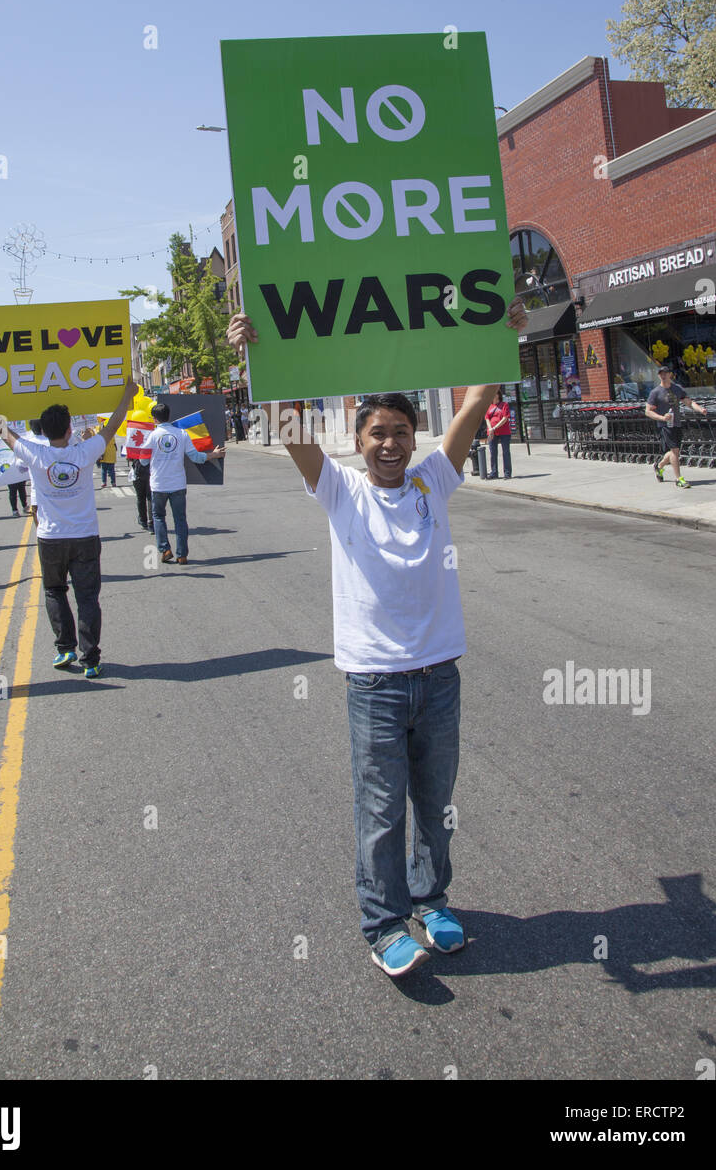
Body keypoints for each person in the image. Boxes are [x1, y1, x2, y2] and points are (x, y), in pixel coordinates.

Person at [228, 299, 527, 978]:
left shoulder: (434, 480)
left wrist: (503, 332)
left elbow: (478, 399)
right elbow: (290, 424)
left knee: (434, 803)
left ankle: (433, 902)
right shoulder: (340, 492)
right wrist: (256, 352)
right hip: (375, 683)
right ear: (357, 441)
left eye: (400, 431)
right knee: (381, 808)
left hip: (439, 677)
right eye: (376, 433)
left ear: (414, 436)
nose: (389, 443)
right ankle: (384, 923)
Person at [0, 378, 137, 679]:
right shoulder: (84, 452)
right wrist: (127, 394)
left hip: (50, 538)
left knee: (54, 591)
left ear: (43, 431)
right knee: (87, 597)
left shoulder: (36, 454)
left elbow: (1, 428)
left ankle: (65, 648)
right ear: (69, 429)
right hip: (85, 536)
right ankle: (91, 659)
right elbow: (112, 426)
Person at [140, 403, 225, 564]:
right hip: (178, 483)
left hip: (158, 484)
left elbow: (143, 462)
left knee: (158, 517)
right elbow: (195, 457)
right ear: (168, 415)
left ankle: (165, 549)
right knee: (180, 519)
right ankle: (182, 555)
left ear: (154, 419)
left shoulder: (152, 436)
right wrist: (213, 455)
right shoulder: (181, 433)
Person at [646, 364, 707, 490]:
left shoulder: (677, 389)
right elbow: (648, 411)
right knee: (675, 451)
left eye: (665, 373)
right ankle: (679, 479)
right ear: (659, 376)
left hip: (677, 424)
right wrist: (662, 418)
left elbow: (688, 402)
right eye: (661, 374)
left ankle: (659, 466)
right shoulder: (655, 392)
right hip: (664, 425)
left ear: (670, 375)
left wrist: (700, 409)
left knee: (674, 451)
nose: (663, 375)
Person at [484, 386, 512, 479]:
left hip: (504, 432)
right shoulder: (489, 406)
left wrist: (495, 427)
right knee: (493, 453)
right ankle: (494, 472)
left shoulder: (504, 405)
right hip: (492, 432)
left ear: (498, 395)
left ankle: (507, 473)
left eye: (493, 393)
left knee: (506, 452)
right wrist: (490, 429)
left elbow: (505, 418)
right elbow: (487, 418)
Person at [129, 455, 154, 532]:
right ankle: (151, 522)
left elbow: (129, 457)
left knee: (140, 498)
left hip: (138, 473)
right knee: (150, 498)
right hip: (151, 472)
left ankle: (143, 521)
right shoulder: (153, 442)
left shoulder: (133, 443)